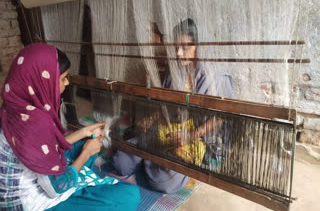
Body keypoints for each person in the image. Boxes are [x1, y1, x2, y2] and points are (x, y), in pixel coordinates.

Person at [0, 43, 140, 211]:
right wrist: (87, 152)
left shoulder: (15, 107)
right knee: (130, 195)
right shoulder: (36, 123)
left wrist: (84, 132)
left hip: (23, 187)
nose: (67, 83)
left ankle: (80, 168)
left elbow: (43, 147)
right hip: (33, 204)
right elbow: (56, 188)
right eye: (62, 78)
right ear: (43, 80)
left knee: (87, 140)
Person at [113, 19, 235, 194]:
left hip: (192, 136)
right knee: (120, 163)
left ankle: (157, 161)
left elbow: (220, 116)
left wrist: (190, 136)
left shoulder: (216, 76)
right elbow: (164, 102)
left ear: (199, 47)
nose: (178, 53)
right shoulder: (175, 69)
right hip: (165, 128)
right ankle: (156, 159)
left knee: (162, 183)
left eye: (185, 48)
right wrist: (151, 119)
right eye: (176, 47)